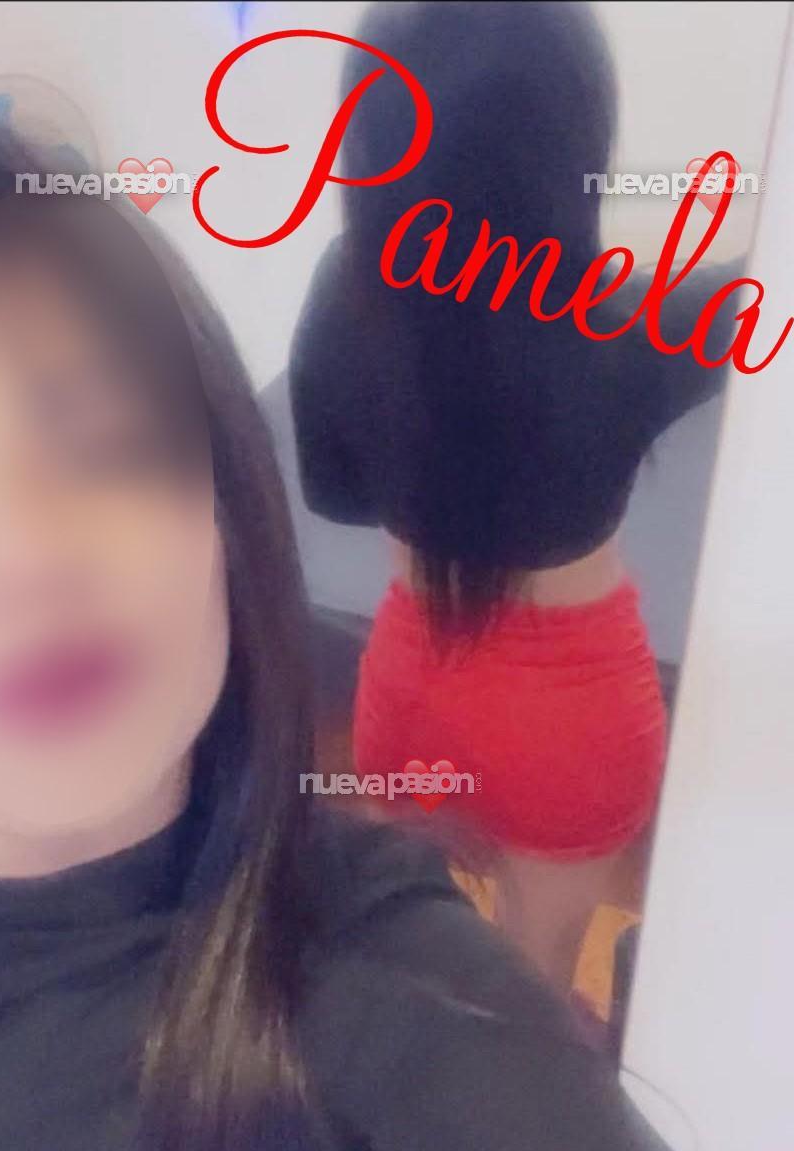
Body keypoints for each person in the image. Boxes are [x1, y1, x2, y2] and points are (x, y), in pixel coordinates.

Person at [0, 111, 794, 1151]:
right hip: (565, 693)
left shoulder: (352, 310)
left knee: (476, 1012)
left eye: (101, 443)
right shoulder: (609, 325)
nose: (25, 550)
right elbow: (740, 330)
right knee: (532, 954)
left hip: (418, 666)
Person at [290, 0, 745, 986]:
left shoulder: (342, 291)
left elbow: (334, 494)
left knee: (406, 953)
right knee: (529, 996)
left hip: (411, 684)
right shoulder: (638, 321)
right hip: (569, 725)